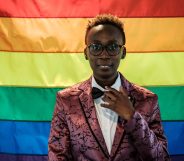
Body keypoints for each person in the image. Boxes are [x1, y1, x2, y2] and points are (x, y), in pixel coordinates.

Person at [48, 14, 170, 161]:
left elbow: (160, 158)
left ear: (123, 52)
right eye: (96, 47)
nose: (104, 55)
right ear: (86, 53)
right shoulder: (66, 100)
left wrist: (132, 117)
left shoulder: (148, 100)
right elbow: (57, 156)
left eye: (112, 47)